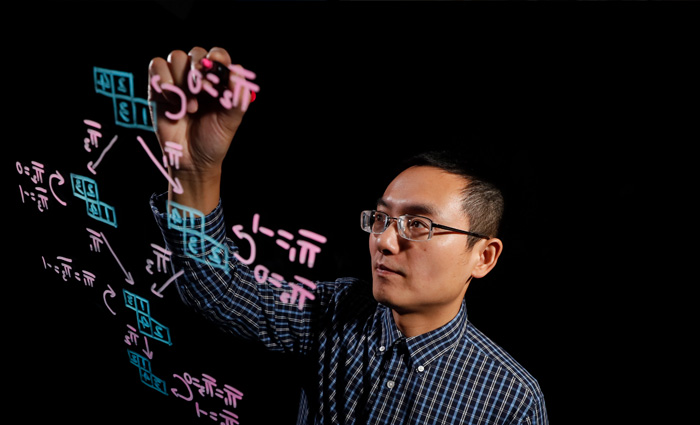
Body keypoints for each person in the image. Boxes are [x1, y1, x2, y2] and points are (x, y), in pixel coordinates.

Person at [148, 46, 547, 424]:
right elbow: (218, 290)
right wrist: (193, 172)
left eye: (418, 225)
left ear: (484, 256)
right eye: (381, 219)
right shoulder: (336, 312)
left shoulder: (510, 400)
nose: (385, 242)